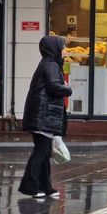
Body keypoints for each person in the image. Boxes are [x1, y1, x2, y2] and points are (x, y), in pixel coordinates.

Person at [18, 36, 72, 199]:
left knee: (44, 151)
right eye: (62, 48)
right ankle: (30, 186)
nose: (64, 51)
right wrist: (67, 89)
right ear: (54, 49)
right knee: (41, 151)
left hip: (42, 116)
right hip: (43, 116)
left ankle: (45, 186)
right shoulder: (51, 65)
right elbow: (54, 86)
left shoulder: (49, 63)